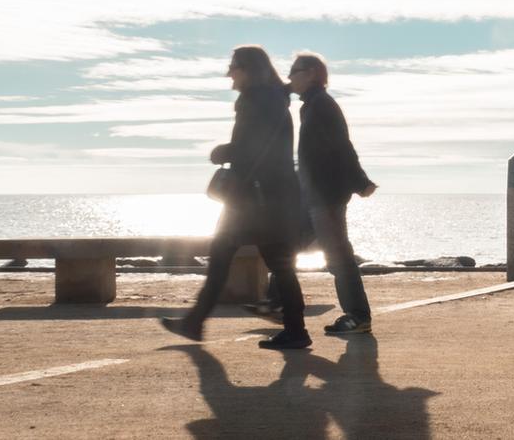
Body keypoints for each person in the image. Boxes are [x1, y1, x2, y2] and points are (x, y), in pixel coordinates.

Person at [161, 45, 312, 349]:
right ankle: (293, 329)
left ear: (248, 70)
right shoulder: (274, 99)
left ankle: (197, 322)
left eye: (233, 67)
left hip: (253, 197)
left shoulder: (256, 101)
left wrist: (222, 152)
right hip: (271, 195)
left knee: (230, 257)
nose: (229, 73)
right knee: (274, 263)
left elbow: (250, 148)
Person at [287, 51, 379, 335]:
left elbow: (342, 146)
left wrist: (360, 182)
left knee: (338, 256)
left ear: (312, 73)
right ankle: (276, 302)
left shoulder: (322, 105)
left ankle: (358, 316)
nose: (289, 78)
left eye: (294, 72)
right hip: (312, 195)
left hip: (326, 196)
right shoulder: (311, 105)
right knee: (286, 247)